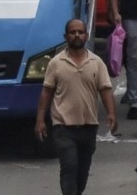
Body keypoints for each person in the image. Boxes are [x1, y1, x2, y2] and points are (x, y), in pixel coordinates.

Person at [35, 18, 115, 195]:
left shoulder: (96, 62)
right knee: (69, 166)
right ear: (66, 36)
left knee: (82, 172)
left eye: (80, 32)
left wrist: (111, 114)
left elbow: (105, 89)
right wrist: (40, 120)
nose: (77, 35)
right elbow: (46, 92)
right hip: (63, 128)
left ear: (86, 35)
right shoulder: (56, 63)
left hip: (88, 127)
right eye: (73, 32)